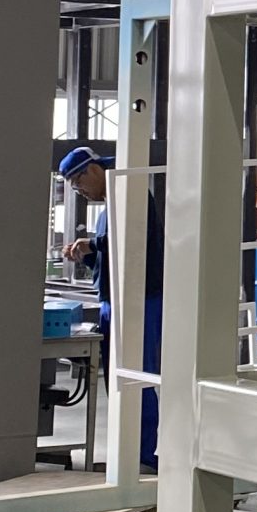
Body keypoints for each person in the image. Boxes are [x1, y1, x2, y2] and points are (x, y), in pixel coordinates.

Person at [58, 145, 165, 472]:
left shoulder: (133, 195)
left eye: (78, 182)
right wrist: (87, 254)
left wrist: (93, 243)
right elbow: (112, 258)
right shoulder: (107, 210)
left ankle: (144, 454)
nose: (79, 191)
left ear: (93, 170)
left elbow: (135, 240)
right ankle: (127, 449)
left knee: (136, 376)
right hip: (113, 301)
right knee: (118, 379)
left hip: (139, 300)